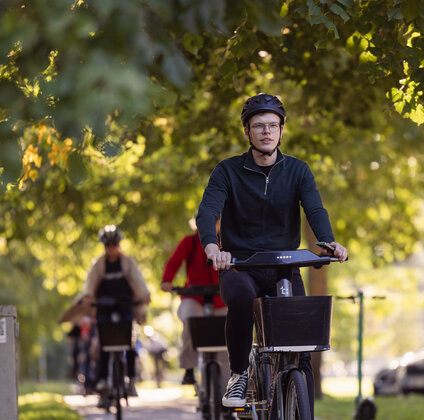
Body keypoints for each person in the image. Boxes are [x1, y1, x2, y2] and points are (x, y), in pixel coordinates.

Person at [195, 93, 348, 413]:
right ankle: (239, 374)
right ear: (247, 132)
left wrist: (328, 241)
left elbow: (315, 208)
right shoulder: (227, 171)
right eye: (259, 126)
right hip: (240, 264)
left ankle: (300, 397)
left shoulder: (298, 171)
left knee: (301, 340)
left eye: (273, 125)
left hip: (284, 265)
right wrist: (212, 245)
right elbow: (208, 210)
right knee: (239, 300)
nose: (266, 131)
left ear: (281, 130)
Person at [81, 225, 151, 403]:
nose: (111, 249)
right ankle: (103, 381)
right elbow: (90, 283)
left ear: (119, 244)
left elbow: (138, 280)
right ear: (104, 247)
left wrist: (144, 296)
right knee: (104, 343)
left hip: (125, 305)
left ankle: (131, 380)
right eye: (107, 245)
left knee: (129, 342)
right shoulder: (98, 264)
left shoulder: (128, 262)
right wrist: (88, 297)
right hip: (104, 306)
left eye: (114, 245)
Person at [161, 216, 228, 386]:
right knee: (191, 321)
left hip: (220, 298)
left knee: (228, 333)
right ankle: (189, 369)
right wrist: (167, 281)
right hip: (194, 297)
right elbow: (174, 262)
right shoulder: (190, 242)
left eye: (216, 222)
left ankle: (228, 388)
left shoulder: (226, 242)